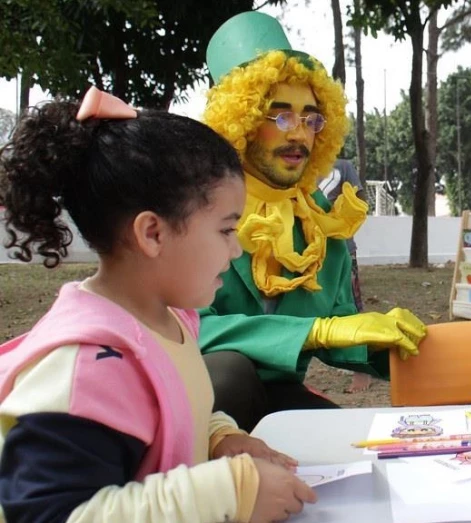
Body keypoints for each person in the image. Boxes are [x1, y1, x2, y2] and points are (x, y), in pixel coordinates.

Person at [0, 88, 315, 521]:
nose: (236, 249)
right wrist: (227, 491)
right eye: (226, 230)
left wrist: (219, 437)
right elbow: (51, 514)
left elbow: (175, 409)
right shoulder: (89, 367)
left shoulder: (170, 318)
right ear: (153, 233)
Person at [199, 12, 427, 431]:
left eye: (311, 118)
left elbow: (337, 326)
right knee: (228, 372)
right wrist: (314, 332)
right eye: (281, 116)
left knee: (350, 442)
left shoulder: (320, 216)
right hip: (196, 397)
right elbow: (185, 329)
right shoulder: (192, 206)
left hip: (279, 396)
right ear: (242, 120)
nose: (299, 134)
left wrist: (393, 343)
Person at [319, 159, 373, 393]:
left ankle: (362, 370)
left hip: (342, 250)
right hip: (305, 252)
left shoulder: (343, 167)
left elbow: (361, 201)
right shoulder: (295, 167)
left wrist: (338, 214)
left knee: (351, 307)